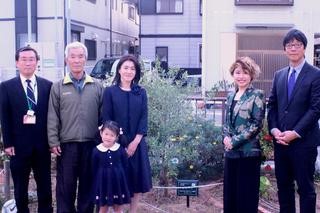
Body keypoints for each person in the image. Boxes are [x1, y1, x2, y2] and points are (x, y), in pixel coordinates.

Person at [267, 29, 320, 213]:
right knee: (284, 188)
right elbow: (272, 106)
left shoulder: (315, 74)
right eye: (290, 45)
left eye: (297, 45)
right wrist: (274, 130)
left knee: (306, 189)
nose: (293, 48)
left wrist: (295, 133)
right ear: (284, 50)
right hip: (281, 142)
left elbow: (315, 109)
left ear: (304, 48)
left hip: (304, 142)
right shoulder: (279, 75)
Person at [47, 41, 103, 213]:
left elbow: (103, 116)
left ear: (85, 59)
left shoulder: (97, 86)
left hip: (91, 144)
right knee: (65, 187)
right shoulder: (58, 87)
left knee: (87, 186)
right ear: (66, 60)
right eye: (73, 57)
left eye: (80, 56)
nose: (77, 60)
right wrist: (53, 141)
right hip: (66, 146)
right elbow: (52, 116)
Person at [0, 46, 53, 212]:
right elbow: (4, 116)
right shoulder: (6, 87)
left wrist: (52, 141)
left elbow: (52, 117)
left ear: (37, 62)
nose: (28, 63)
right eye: (23, 59)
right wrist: (7, 144)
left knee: (45, 185)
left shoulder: (48, 85)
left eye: (31, 59)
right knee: (20, 187)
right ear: (17, 63)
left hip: (42, 146)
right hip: (18, 147)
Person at [102, 55, 152, 213]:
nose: (129, 71)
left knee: (136, 180)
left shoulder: (141, 92)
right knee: (119, 181)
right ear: (119, 70)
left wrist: (135, 142)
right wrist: (118, 142)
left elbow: (144, 118)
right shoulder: (110, 92)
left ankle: (133, 210)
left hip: (137, 143)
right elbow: (107, 119)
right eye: (126, 68)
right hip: (116, 144)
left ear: (136, 72)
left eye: (132, 68)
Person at [223, 56, 266, 213]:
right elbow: (226, 122)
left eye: (245, 72)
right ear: (233, 74)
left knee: (246, 196)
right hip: (231, 153)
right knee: (230, 194)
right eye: (238, 72)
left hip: (248, 153)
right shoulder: (230, 95)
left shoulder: (257, 95)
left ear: (251, 75)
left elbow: (257, 124)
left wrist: (234, 141)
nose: (241, 76)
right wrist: (226, 138)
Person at [92, 121, 131, 213]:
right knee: (103, 208)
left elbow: (125, 166)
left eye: (112, 135)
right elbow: (93, 168)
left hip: (118, 183)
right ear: (101, 133)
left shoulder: (120, 150)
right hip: (103, 183)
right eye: (106, 134)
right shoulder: (96, 151)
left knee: (118, 207)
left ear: (117, 137)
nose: (108, 137)